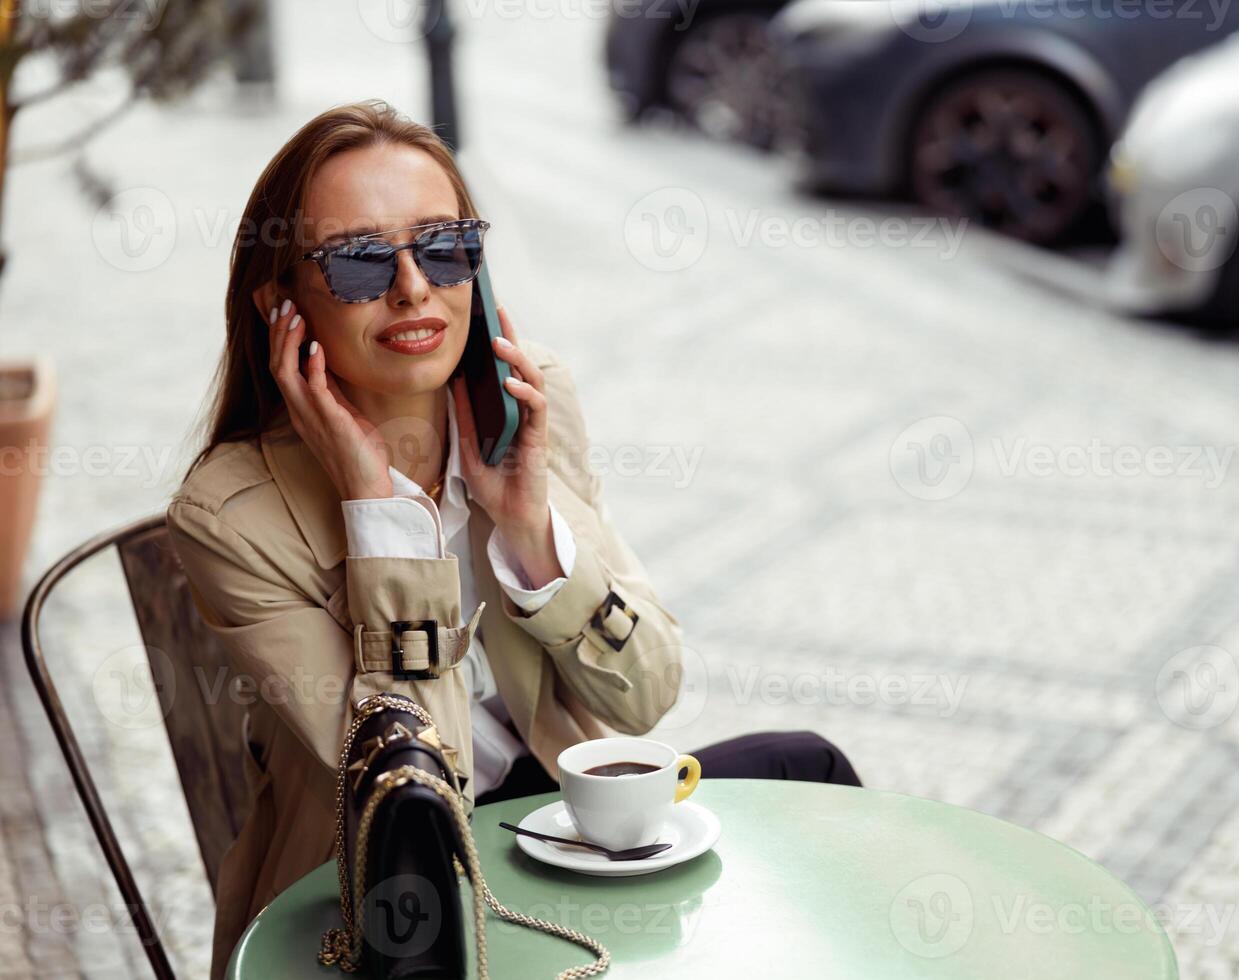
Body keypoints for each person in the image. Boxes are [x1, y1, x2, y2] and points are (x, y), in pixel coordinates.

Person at [166, 99, 860, 980]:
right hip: (392, 901)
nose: (414, 288)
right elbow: (423, 786)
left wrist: (531, 534)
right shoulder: (232, 516)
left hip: (546, 831)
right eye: (358, 262)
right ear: (282, 305)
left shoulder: (526, 408)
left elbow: (647, 695)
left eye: (445, 247)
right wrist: (379, 510)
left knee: (809, 767)